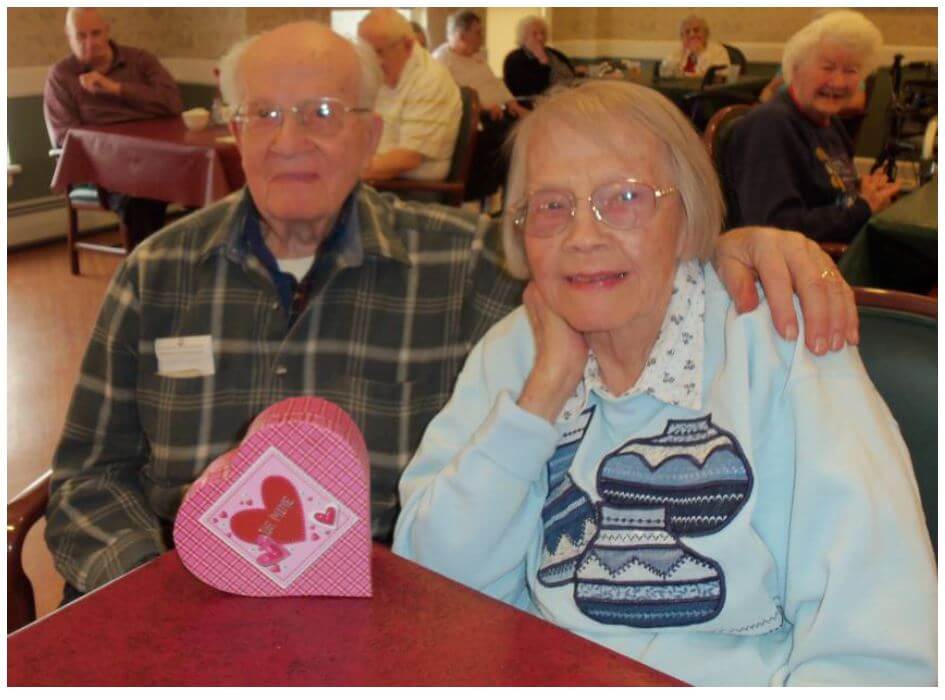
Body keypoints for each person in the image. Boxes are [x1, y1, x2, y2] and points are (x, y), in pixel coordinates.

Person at [46, 21, 858, 603]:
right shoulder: (157, 273)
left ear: (370, 134)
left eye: (324, 114)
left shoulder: (463, 260)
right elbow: (90, 474)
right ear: (235, 131)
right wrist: (151, 584)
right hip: (189, 586)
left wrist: (720, 247)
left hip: (394, 600)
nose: (291, 139)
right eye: (265, 113)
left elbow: (604, 272)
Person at [392, 80, 936, 686]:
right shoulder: (517, 347)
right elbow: (435, 585)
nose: (583, 235)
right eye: (550, 205)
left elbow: (877, 638)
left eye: (624, 197)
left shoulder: (778, 340)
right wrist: (541, 398)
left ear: (687, 215)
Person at [725, 11, 900, 243]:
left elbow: (828, 194)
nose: (838, 82)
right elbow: (777, 228)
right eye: (827, 68)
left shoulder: (830, 122)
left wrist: (864, 190)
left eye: (851, 70)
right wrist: (863, 207)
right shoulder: (770, 126)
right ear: (795, 70)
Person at [43, 7, 184, 246]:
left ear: (107, 31)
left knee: (202, 189)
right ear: (68, 37)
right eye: (81, 36)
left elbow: (173, 104)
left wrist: (114, 88)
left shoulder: (141, 61)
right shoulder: (61, 76)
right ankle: (143, 272)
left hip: (158, 158)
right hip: (101, 167)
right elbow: (65, 137)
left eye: (96, 33)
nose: (90, 42)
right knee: (141, 198)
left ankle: (190, 264)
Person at [432, 10, 528, 201]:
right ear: (461, 35)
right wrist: (483, 108)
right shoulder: (442, 60)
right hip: (472, 120)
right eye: (477, 32)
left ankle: (514, 193)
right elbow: (453, 95)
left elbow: (494, 83)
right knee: (507, 139)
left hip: (496, 113)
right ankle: (493, 194)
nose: (481, 37)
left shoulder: (477, 57)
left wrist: (512, 103)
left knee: (526, 129)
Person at [358, 8, 461, 181]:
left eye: (379, 52)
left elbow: (407, 159)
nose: (372, 61)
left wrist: (347, 172)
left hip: (409, 189)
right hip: (375, 178)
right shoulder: (377, 74)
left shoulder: (430, 79)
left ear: (407, 45)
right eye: (365, 52)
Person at [503, 15, 581, 106]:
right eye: (535, 34)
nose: (540, 37)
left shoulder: (553, 52)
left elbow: (571, 71)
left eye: (543, 33)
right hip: (545, 102)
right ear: (523, 37)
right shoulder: (515, 59)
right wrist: (543, 62)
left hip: (573, 91)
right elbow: (532, 90)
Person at [659, 15, 731, 78]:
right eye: (687, 32)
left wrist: (699, 53)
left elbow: (718, 77)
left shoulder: (719, 51)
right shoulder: (678, 51)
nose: (692, 35)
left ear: (706, 33)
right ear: (682, 37)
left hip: (708, 92)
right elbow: (664, 72)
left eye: (696, 30)